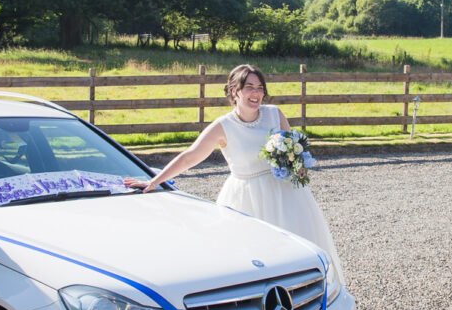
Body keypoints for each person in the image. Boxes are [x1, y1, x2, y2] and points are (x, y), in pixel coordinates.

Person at [127, 64, 342, 273]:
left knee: (295, 251)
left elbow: (294, 150)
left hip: (284, 195)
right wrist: (154, 181)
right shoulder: (223, 126)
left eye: (260, 88)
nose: (256, 93)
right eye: (249, 87)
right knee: (251, 257)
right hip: (246, 198)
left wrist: (299, 167)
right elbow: (190, 156)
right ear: (234, 91)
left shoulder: (275, 114)